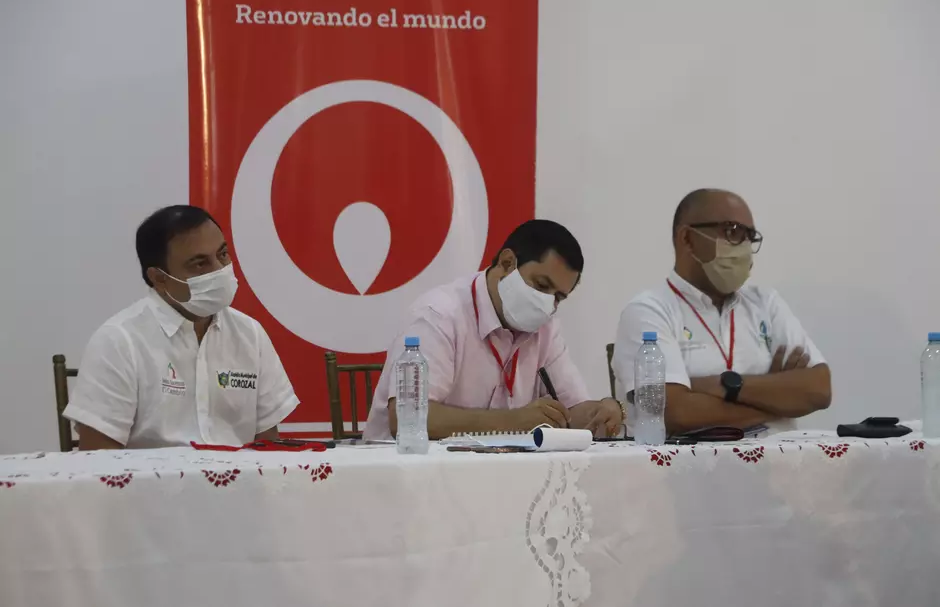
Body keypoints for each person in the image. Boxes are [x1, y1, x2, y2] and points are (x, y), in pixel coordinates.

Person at [363, 219, 623, 441]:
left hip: (492, 472)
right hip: (409, 473)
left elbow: (570, 411)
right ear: (507, 263)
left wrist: (602, 410)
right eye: (541, 285)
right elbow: (408, 418)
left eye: (558, 297)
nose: (547, 304)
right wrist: (514, 421)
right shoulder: (439, 315)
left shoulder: (545, 328)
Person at [64, 205, 299, 450]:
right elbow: (98, 456)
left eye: (222, 254)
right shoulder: (118, 341)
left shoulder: (250, 333)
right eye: (199, 264)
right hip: (151, 475)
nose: (219, 270)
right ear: (159, 278)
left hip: (240, 474)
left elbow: (268, 446)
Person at [613, 189, 831, 436]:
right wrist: (778, 401)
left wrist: (722, 386)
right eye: (732, 232)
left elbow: (820, 388)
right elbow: (675, 413)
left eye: (750, 236)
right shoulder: (648, 311)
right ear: (687, 238)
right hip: (692, 460)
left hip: (778, 456)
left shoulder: (766, 303)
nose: (744, 246)